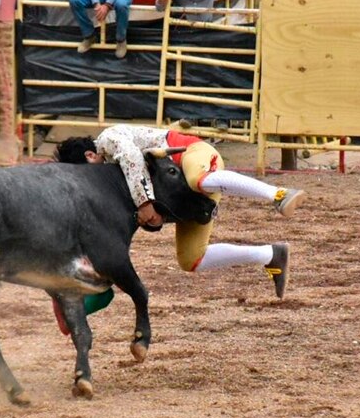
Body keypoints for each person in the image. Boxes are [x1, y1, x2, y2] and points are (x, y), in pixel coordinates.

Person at [55, 124, 306, 304]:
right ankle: (270, 254)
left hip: (194, 155)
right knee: (192, 259)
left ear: (90, 155)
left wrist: (144, 205)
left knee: (198, 179)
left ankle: (278, 194)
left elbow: (132, 159)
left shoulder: (108, 139)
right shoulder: (109, 173)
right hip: (182, 191)